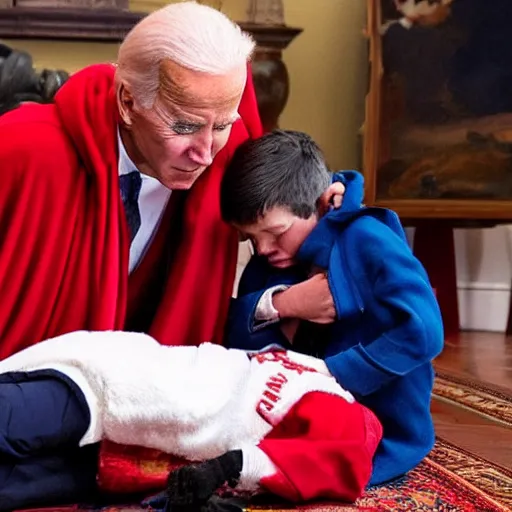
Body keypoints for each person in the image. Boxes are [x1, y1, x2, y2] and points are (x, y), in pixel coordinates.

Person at [0, 1, 264, 359]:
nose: (205, 153)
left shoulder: (227, 160)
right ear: (127, 101)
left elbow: (295, 207)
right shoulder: (22, 150)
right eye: (184, 126)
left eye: (221, 126)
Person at [221, 130, 444, 487]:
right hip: (292, 408)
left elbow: (424, 330)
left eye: (276, 232)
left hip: (381, 425)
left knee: (284, 473)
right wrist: (284, 303)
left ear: (323, 203)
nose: (263, 248)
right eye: (251, 238)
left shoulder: (368, 239)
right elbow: (234, 331)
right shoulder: (271, 263)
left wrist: (334, 372)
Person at [0, 329, 382, 511]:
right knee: (12, 420)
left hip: (122, 459)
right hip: (116, 387)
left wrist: (223, 473)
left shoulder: (332, 434)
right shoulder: (320, 390)